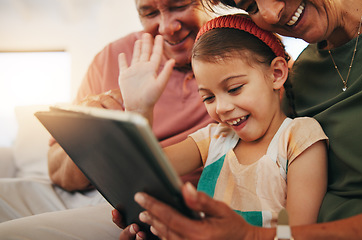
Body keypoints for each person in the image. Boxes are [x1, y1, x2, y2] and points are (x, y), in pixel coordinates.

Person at [117, 0, 362, 239]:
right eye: (250, 4)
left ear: (276, 73)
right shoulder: (299, 74)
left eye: (234, 88)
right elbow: (149, 166)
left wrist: (253, 237)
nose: (271, 11)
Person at [0, 0, 213, 230]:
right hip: (79, 193)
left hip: (140, 204)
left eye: (179, 6)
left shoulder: (236, 57)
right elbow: (57, 170)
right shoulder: (112, 56)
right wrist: (87, 134)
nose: (166, 27)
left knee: (12, 233)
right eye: (150, 13)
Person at [116, 14, 327, 237]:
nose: (221, 108)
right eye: (208, 98)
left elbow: (297, 234)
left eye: (234, 88)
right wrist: (139, 111)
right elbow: (145, 169)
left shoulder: (299, 137)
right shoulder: (215, 137)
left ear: (276, 74)